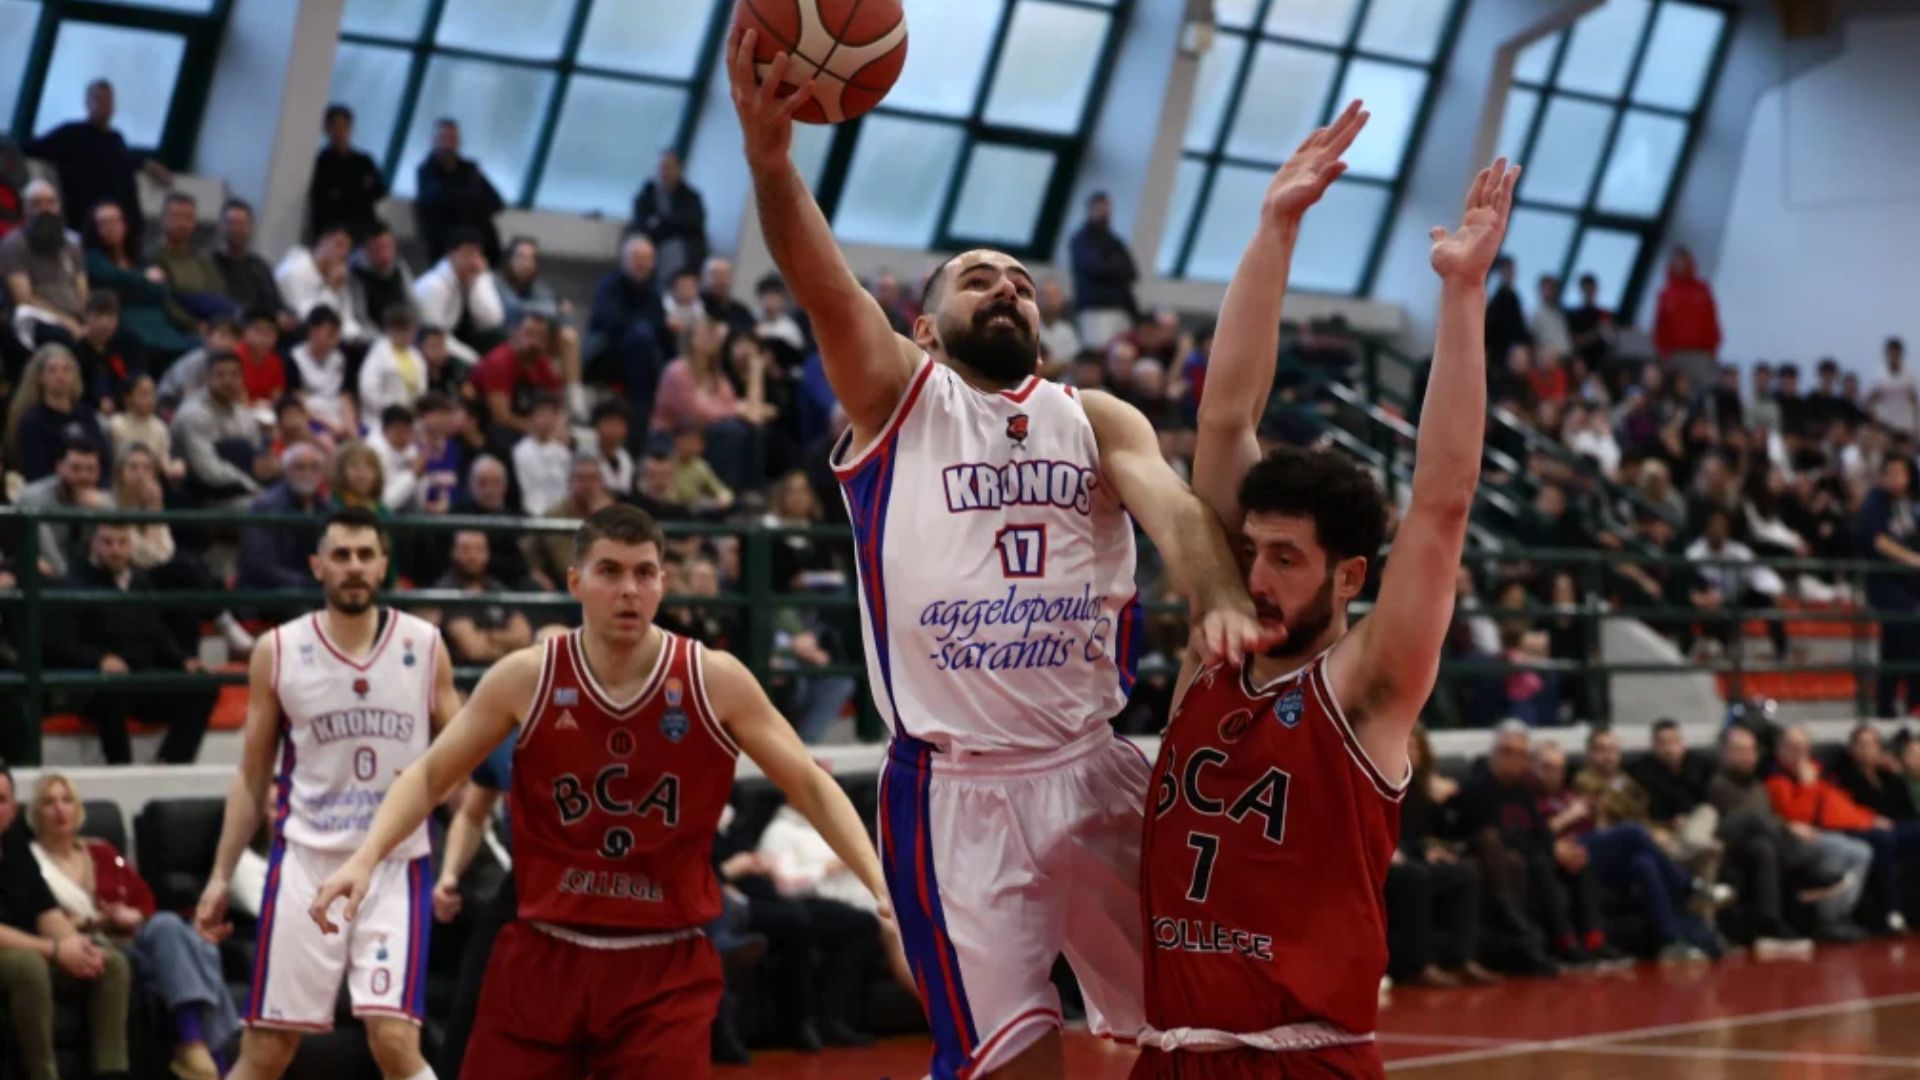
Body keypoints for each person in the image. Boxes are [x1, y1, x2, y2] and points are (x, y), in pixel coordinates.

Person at [731, 35, 1271, 1079]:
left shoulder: (1095, 416)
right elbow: (826, 289)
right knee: (1013, 1066)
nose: (1008, 290)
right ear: (926, 327)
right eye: (978, 280)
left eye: (1022, 283)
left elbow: (1173, 507)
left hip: (1095, 764)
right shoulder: (899, 398)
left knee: (1212, 1031)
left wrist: (1214, 595)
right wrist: (770, 164)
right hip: (955, 796)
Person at [1136, 100, 1519, 1074]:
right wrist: (1275, 228)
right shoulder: (1216, 643)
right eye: (1252, 550)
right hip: (1171, 1053)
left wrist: (1461, 297)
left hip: (1300, 1058)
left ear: (1350, 576)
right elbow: (1226, 419)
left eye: (1286, 559)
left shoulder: (1366, 688)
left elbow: (1443, 501)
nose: (1256, 575)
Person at [309, 504, 895, 1078]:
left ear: (663, 583)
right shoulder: (527, 675)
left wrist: (879, 883)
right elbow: (428, 775)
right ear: (576, 582)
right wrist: (365, 858)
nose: (629, 590)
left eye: (644, 573)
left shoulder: (712, 678)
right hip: (545, 953)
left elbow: (809, 783)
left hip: (663, 961)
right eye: (610, 572)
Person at [194, 507, 458, 1080]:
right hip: (307, 863)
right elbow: (252, 776)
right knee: (268, 1049)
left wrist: (460, 857)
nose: (354, 566)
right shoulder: (278, 651)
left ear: (384, 565)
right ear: (317, 566)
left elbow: (460, 761)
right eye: (341, 555)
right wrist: (220, 875)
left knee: (394, 1039)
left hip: (394, 866)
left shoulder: (424, 645)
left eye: (366, 555)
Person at [28, 773, 236, 1079]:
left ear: (78, 808)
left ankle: (197, 1053)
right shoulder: (30, 862)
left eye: (67, 800)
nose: (60, 809)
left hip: (134, 938)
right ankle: (212, 1060)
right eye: (49, 802)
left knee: (189, 938)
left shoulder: (102, 851)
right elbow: (38, 920)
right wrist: (101, 920)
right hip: (92, 947)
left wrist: (133, 915)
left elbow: (145, 901)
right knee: (192, 947)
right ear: (36, 813)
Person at [0, 764, 132, 1080]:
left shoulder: (14, 844)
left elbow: (46, 912)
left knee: (110, 962)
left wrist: (76, 945)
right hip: (16, 954)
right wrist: (56, 950)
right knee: (28, 966)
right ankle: (42, 1073)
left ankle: (111, 1072)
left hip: (33, 947)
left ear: (13, 810)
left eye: (1, 800)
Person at [47, 521, 216, 763]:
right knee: (113, 691)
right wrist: (99, 659)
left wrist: (182, 660)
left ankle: (169, 763)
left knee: (203, 686)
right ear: (94, 544)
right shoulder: (74, 585)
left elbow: (157, 633)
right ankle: (121, 768)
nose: (115, 550)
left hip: (142, 677)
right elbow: (62, 643)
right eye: (107, 542)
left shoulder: (140, 583)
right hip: (98, 684)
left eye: (122, 542)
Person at [25, 79, 166, 248]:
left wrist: (147, 164)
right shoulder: (72, 134)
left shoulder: (115, 139)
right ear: (87, 103)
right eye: (98, 98)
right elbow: (31, 147)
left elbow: (125, 161)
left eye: (107, 99)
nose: (103, 104)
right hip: (87, 224)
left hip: (124, 226)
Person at [2, 180, 88, 347]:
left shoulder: (72, 243)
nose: (45, 209)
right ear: (25, 209)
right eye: (37, 203)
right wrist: (67, 322)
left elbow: (82, 289)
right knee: (62, 336)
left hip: (72, 316)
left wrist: (86, 321)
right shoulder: (13, 245)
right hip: (35, 319)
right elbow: (24, 299)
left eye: (50, 202)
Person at [414, 119, 503, 263]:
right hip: (447, 247)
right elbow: (436, 204)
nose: (447, 145)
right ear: (433, 141)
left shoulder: (470, 169)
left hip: (483, 244)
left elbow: (496, 202)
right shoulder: (426, 172)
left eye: (452, 139)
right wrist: (470, 201)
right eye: (443, 138)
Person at [1068, 192, 1138, 349]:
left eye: (1107, 209)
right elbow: (1094, 267)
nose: (1104, 213)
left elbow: (1132, 272)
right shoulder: (1081, 239)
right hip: (1095, 308)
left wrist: (1110, 267)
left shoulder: (1115, 241)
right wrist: (1116, 267)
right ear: (1090, 210)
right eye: (1100, 208)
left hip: (1120, 307)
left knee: (1122, 351)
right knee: (1098, 351)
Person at [309, 104, 387, 242]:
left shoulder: (364, 160)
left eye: (345, 126)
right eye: (335, 126)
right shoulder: (321, 161)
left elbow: (380, 189)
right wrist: (359, 189)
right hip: (334, 224)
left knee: (383, 236)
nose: (340, 132)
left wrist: (348, 191)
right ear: (326, 129)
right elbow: (325, 197)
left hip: (364, 222)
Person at [632, 149, 708, 283]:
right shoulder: (645, 195)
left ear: (678, 170)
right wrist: (673, 223)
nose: (664, 172)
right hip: (653, 246)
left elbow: (693, 223)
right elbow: (641, 225)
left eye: (668, 167)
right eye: (661, 167)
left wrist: (661, 222)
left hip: (685, 248)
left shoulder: (691, 197)